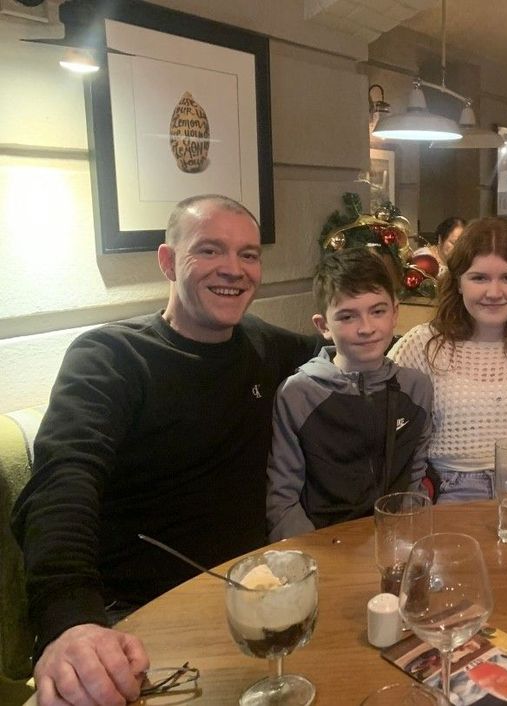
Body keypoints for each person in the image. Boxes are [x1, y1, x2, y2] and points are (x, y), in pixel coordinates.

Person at [11, 195, 321, 706]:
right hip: (135, 618)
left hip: (261, 603)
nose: (234, 269)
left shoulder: (264, 346)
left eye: (249, 254)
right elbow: (63, 482)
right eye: (210, 250)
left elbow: (354, 348)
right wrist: (69, 621)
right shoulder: (110, 357)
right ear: (167, 260)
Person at [389, 217, 507, 502]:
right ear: (458, 283)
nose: (494, 293)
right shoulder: (422, 346)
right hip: (452, 490)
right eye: (479, 278)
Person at [266, 248, 433, 541]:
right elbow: (283, 500)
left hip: (398, 542)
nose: (366, 328)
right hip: (326, 545)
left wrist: (411, 536)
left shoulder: (416, 388)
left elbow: (415, 478)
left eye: (377, 311)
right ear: (323, 326)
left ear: (395, 313)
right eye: (347, 316)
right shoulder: (298, 394)